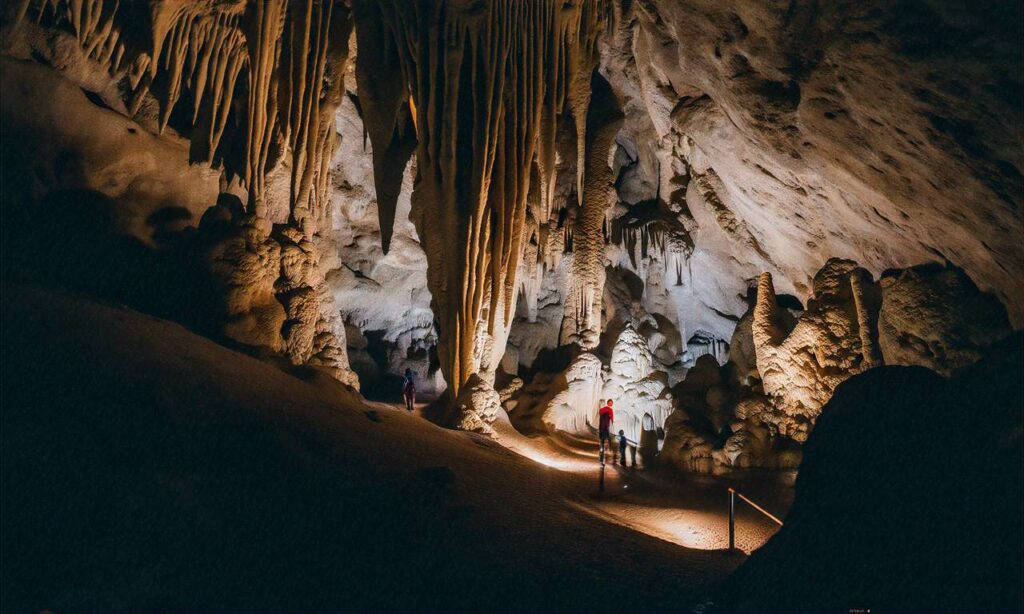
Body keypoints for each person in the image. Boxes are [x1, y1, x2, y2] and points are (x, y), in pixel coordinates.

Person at [598, 399, 614, 465]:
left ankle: (601, 459)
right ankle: (604, 456)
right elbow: (611, 420)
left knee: (602, 444)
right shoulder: (610, 411)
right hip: (605, 429)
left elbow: (600, 418)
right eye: (611, 403)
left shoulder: (601, 410)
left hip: (601, 429)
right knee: (607, 442)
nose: (611, 404)